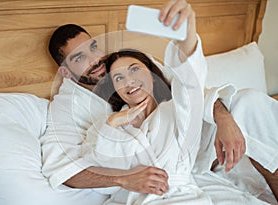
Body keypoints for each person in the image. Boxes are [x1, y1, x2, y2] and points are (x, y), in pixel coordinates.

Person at [40, 0, 278, 203]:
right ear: (66, 72)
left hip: (191, 139)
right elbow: (65, 168)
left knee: (247, 104)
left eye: (94, 47)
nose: (96, 59)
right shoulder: (66, 108)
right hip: (151, 174)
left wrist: (222, 116)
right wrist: (124, 179)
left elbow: (189, 85)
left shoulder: (129, 66)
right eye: (80, 57)